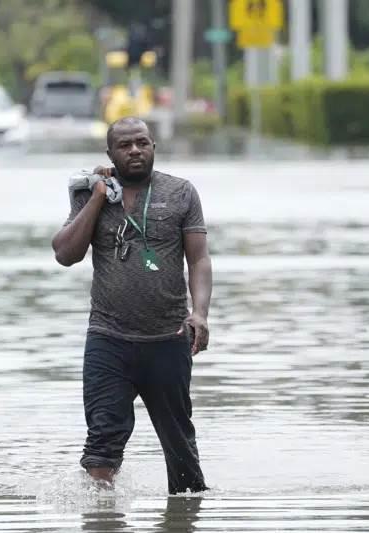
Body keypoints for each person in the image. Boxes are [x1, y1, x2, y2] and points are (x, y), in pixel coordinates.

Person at [51, 116, 212, 494]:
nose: (135, 150)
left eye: (142, 142)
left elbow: (199, 259)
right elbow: (65, 254)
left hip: (169, 338)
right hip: (109, 340)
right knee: (101, 445)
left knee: (181, 449)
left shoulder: (181, 193)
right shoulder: (89, 193)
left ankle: (187, 514)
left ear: (153, 146)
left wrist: (200, 313)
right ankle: (103, 517)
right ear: (110, 154)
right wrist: (96, 197)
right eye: (125, 145)